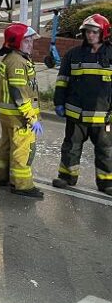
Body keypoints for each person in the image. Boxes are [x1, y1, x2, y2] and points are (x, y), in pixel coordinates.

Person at [52, 14, 112, 195]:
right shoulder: (73, 54)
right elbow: (62, 81)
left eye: (94, 32)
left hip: (104, 116)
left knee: (105, 149)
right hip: (76, 113)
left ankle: (106, 182)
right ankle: (66, 177)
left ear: (103, 33)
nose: (90, 35)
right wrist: (59, 102)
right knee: (71, 145)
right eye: (87, 32)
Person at [0, 23, 44, 199]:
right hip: (19, 116)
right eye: (26, 41)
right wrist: (32, 118)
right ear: (16, 42)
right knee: (23, 149)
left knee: (6, 145)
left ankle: (3, 177)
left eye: (31, 40)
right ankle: (22, 185)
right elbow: (20, 94)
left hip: (7, 114)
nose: (31, 44)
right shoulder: (17, 62)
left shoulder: (11, 58)